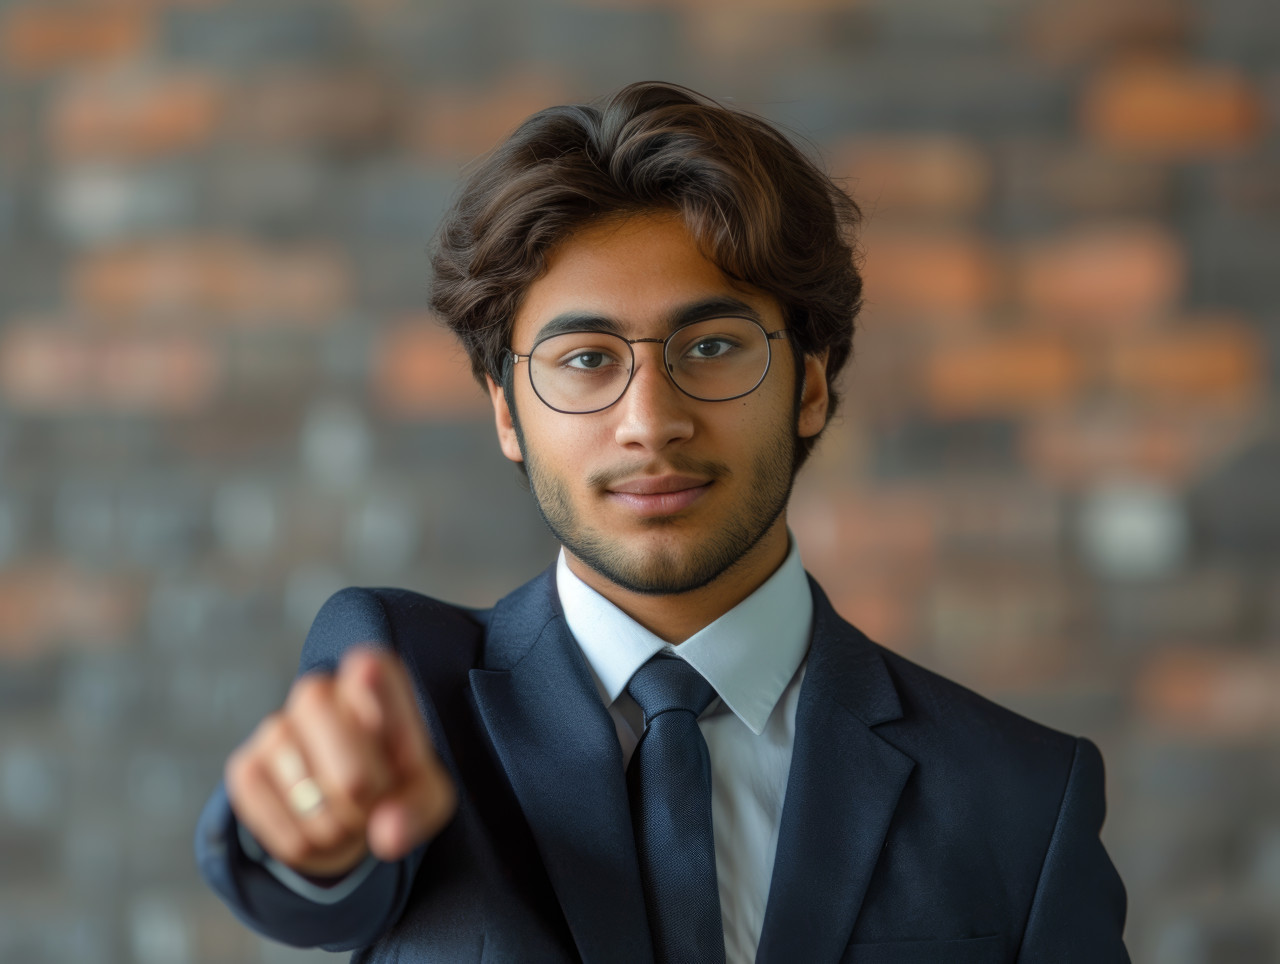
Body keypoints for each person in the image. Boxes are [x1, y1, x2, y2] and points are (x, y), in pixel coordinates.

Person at [195, 81, 1129, 963]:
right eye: (587, 360)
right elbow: (319, 873)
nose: (650, 421)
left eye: (713, 347)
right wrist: (308, 839)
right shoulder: (407, 691)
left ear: (807, 385)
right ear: (505, 411)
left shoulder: (1020, 800)